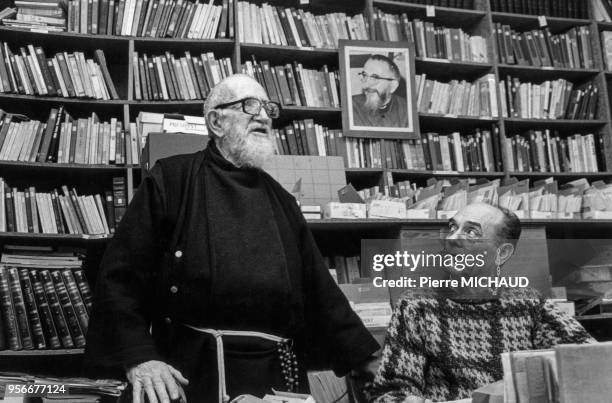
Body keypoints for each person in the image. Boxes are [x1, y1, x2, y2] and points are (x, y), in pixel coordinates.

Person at [85, 74, 380, 403]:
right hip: (192, 374)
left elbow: (322, 294)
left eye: (268, 108)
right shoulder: (172, 180)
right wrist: (140, 358)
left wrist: (368, 358)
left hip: (278, 378)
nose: (265, 116)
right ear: (216, 121)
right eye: (251, 106)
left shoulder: (282, 200)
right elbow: (120, 278)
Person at [367, 202, 594, 403]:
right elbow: (389, 394)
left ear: (502, 254)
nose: (452, 238)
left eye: (472, 232)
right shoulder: (416, 306)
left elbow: (590, 360)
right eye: (453, 227)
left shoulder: (528, 303)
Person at [352, 54, 408, 128]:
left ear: (392, 86)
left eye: (375, 77)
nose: (366, 84)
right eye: (364, 75)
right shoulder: (352, 105)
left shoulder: (408, 111)